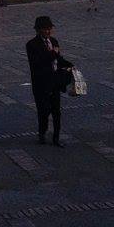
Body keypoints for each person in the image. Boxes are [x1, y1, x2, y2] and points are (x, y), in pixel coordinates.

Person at [25, 17, 72, 147]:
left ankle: (56, 138)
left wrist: (70, 65)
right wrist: (54, 54)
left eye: (50, 28)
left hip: (55, 82)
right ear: (38, 30)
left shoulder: (54, 41)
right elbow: (38, 62)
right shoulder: (31, 44)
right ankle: (42, 133)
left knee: (57, 111)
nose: (49, 31)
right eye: (46, 28)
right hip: (41, 83)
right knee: (43, 111)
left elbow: (58, 59)